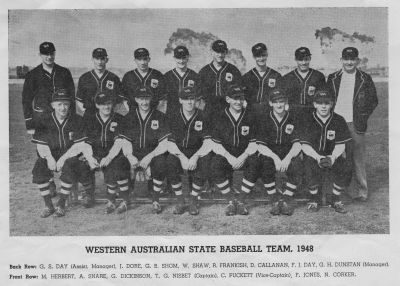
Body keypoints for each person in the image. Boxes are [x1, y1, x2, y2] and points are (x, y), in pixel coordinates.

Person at [22, 41, 76, 196]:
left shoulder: (64, 72)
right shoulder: (33, 75)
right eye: (45, 54)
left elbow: (71, 97)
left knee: (66, 148)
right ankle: (50, 182)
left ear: (55, 53)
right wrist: (29, 123)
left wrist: (71, 119)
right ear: (40, 55)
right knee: (44, 153)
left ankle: (69, 182)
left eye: (51, 53)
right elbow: (26, 100)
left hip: (62, 118)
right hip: (42, 119)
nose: (49, 57)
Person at [31, 89, 95, 218]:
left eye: (65, 104)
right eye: (59, 104)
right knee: (40, 164)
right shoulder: (44, 120)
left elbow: (79, 145)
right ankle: (48, 205)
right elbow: (41, 144)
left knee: (70, 165)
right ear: (53, 105)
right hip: (51, 154)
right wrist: (49, 158)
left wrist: (62, 159)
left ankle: (61, 204)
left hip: (71, 154)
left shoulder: (77, 119)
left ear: (69, 105)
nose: (63, 107)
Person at [327, 47, 378, 202]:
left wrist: (361, 117)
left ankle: (361, 192)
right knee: (335, 156)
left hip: (355, 124)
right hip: (335, 124)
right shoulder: (333, 78)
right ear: (341, 60)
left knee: (357, 158)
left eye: (352, 59)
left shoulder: (365, 78)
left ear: (357, 61)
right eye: (346, 59)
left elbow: (373, 101)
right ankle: (331, 190)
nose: (349, 62)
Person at [243, 89, 302, 216]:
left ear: (286, 102)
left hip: (287, 153)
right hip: (270, 153)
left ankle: (286, 200)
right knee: (265, 163)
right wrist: (275, 157)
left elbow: (297, 144)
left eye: (282, 101)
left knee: (297, 163)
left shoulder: (293, 117)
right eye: (276, 102)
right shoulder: (264, 118)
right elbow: (260, 145)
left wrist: (287, 158)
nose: (279, 105)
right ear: (270, 103)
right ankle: (274, 199)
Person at [117, 86, 170, 214]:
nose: (144, 102)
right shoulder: (129, 117)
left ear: (151, 99)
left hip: (153, 153)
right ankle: (125, 200)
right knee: (120, 162)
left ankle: (156, 200)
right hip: (134, 154)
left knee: (161, 161)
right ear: (136, 99)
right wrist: (130, 156)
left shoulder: (160, 116)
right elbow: (125, 141)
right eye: (141, 99)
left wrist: (149, 157)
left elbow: (164, 143)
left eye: (147, 98)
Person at [300, 90, 353, 213]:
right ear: (314, 104)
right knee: (308, 165)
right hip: (314, 154)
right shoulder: (308, 119)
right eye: (319, 103)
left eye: (326, 103)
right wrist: (318, 157)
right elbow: (305, 145)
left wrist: (332, 157)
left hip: (332, 154)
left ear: (331, 104)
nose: (323, 106)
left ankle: (335, 199)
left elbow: (341, 144)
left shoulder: (338, 119)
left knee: (346, 165)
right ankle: (315, 199)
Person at [210, 84, 258, 216]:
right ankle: (231, 200)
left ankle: (241, 201)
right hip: (227, 155)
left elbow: (254, 142)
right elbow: (215, 143)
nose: (238, 102)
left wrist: (244, 156)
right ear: (228, 99)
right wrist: (228, 156)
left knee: (255, 161)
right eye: (235, 98)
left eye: (241, 98)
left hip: (245, 153)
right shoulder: (219, 116)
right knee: (215, 163)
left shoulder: (250, 115)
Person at [166, 86, 213, 215]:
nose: (189, 102)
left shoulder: (203, 115)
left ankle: (193, 200)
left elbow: (208, 142)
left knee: (205, 160)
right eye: (186, 99)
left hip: (197, 151)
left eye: (192, 99)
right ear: (180, 100)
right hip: (179, 150)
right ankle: (180, 200)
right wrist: (181, 157)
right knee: (170, 161)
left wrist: (196, 156)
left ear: (196, 100)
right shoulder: (173, 116)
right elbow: (169, 142)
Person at [82, 90, 130, 214]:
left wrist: (109, 157)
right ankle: (89, 194)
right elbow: (86, 142)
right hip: (96, 154)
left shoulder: (119, 118)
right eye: (102, 104)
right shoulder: (90, 120)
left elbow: (119, 142)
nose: (106, 106)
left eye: (109, 103)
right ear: (97, 105)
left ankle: (122, 200)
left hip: (115, 153)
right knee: (81, 164)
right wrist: (90, 158)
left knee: (116, 164)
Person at [279, 47, 326, 120]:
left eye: (306, 59)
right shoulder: (287, 78)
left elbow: (323, 98)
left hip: (314, 115)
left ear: (310, 58)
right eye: (300, 60)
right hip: (292, 115)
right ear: (295, 60)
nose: (303, 63)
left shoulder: (318, 76)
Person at [198, 40, 242, 116]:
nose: (220, 55)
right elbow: (199, 97)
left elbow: (240, 93)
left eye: (222, 52)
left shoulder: (233, 70)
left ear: (226, 52)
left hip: (228, 110)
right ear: (212, 52)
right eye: (217, 52)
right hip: (209, 110)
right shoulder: (204, 71)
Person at [75, 48, 123, 117]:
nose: (99, 62)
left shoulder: (114, 78)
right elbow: (79, 99)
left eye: (102, 59)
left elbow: (119, 99)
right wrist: (85, 111)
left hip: (109, 115)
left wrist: (110, 111)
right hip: (90, 116)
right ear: (92, 59)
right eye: (97, 59)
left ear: (107, 60)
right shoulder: (84, 78)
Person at [121, 48, 164, 112]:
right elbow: (125, 99)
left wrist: (154, 112)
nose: (143, 62)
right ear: (135, 60)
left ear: (149, 59)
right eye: (139, 59)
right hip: (133, 113)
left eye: (145, 59)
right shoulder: (128, 76)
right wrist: (132, 113)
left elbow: (161, 99)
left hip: (153, 112)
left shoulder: (157, 75)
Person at [162, 46, 200, 116]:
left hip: (190, 114)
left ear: (188, 57)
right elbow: (161, 101)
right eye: (178, 58)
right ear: (174, 58)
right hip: (171, 115)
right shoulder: (167, 76)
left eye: (184, 58)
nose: (181, 61)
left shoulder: (195, 76)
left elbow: (199, 100)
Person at [242, 43, 282, 109]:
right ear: (254, 57)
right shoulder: (247, 76)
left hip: (269, 112)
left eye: (263, 55)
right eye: (258, 56)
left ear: (267, 55)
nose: (261, 58)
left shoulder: (276, 75)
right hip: (251, 112)